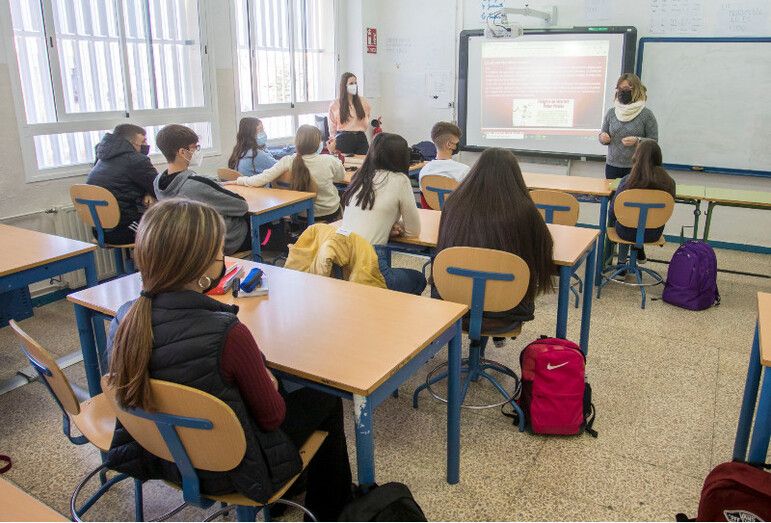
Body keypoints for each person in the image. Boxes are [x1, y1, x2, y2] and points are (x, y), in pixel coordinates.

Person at [104, 198, 352, 520]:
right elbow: (272, 418)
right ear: (203, 264)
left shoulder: (123, 320)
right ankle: (332, 510)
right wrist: (268, 380)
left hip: (160, 454)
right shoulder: (227, 334)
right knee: (325, 397)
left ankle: (291, 493)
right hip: (233, 468)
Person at [434, 148, 554, 345]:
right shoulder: (524, 211)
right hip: (507, 309)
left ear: (476, 171)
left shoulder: (453, 203)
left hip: (452, 303)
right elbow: (543, 251)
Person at [340, 133, 426, 295]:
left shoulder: (359, 176)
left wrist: (386, 226)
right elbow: (413, 231)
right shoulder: (400, 180)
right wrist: (394, 226)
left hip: (342, 262)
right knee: (419, 279)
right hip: (371, 265)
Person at [153, 124, 250, 255]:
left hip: (191, 244)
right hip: (225, 240)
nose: (197, 151)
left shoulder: (158, 182)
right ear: (182, 152)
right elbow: (241, 206)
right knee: (267, 228)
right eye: (195, 147)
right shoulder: (195, 185)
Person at [227, 125, 345, 222]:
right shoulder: (329, 160)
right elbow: (341, 177)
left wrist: (239, 180)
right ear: (318, 143)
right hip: (329, 213)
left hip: (300, 214)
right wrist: (333, 153)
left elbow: (261, 179)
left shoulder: (288, 160)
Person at [86, 123, 158, 244]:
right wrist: (150, 191)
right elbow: (159, 188)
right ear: (130, 142)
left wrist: (147, 191)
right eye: (143, 141)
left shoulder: (102, 156)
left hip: (99, 230)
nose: (146, 145)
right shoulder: (136, 160)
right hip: (124, 230)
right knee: (169, 230)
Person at [609, 139, 676, 264]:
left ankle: (621, 264)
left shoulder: (627, 181)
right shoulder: (669, 182)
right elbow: (669, 209)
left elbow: (614, 211)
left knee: (624, 220)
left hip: (625, 233)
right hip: (653, 233)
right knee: (636, 221)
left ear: (636, 156)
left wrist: (612, 224)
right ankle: (639, 250)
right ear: (658, 157)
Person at [599, 73, 659, 180]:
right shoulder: (611, 113)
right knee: (613, 196)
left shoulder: (646, 114)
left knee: (631, 196)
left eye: (626, 88)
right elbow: (602, 136)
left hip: (637, 167)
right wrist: (603, 137)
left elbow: (653, 142)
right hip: (612, 166)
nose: (622, 92)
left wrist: (638, 140)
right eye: (619, 89)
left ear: (635, 90)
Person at [418, 122, 470, 208]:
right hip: (456, 218)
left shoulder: (424, 170)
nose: (458, 144)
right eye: (457, 142)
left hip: (432, 217)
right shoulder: (464, 170)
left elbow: (425, 203)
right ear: (449, 144)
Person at [328, 72, 371, 155]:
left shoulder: (363, 102)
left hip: (361, 138)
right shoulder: (335, 104)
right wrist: (332, 144)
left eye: (355, 83)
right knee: (345, 164)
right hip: (343, 139)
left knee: (363, 164)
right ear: (344, 86)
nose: (354, 85)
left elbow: (367, 118)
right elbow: (332, 127)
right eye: (351, 83)